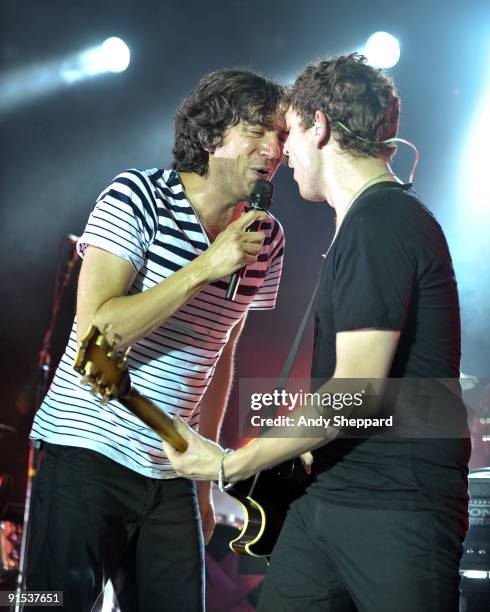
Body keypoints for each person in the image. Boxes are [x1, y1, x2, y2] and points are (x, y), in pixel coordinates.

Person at [163, 54, 471, 612]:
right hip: (331, 499)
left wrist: (230, 463)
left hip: (395, 514)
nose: (282, 154)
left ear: (320, 125)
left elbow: (354, 395)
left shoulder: (382, 222)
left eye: (289, 133)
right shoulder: (368, 221)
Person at [27, 69, 288, 611]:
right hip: (85, 452)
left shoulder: (266, 240)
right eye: (259, 131)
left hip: (170, 472)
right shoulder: (136, 195)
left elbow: (220, 355)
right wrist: (204, 267)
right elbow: (98, 331)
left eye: (282, 136)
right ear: (214, 136)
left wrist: (205, 476)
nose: (274, 149)